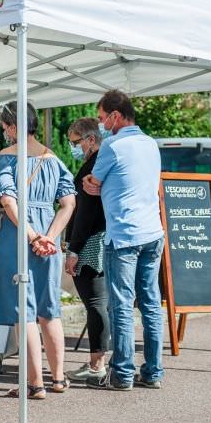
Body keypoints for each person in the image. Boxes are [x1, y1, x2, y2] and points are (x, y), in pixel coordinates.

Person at [0, 101, 76, 399]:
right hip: (49, 241)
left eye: (4, 126)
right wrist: (50, 236)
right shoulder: (54, 159)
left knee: (23, 312)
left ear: (13, 126)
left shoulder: (6, 158)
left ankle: (34, 383)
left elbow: (8, 201)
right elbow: (69, 203)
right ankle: (59, 378)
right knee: (49, 309)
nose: (3, 132)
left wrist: (32, 236)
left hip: (19, 237)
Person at [83, 90, 165, 391]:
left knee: (120, 304)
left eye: (103, 118)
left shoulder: (114, 146)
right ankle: (153, 371)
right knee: (151, 303)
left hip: (125, 234)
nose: (102, 124)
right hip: (153, 232)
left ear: (116, 116)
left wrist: (92, 184)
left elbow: (93, 183)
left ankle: (122, 374)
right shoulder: (150, 144)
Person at [64, 118, 109, 382]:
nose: (73, 147)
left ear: (90, 140)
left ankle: (96, 364)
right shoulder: (99, 163)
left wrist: (73, 249)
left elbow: (84, 214)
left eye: (75, 142)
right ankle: (98, 361)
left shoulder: (95, 165)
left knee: (94, 303)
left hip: (91, 243)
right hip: (100, 240)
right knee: (99, 303)